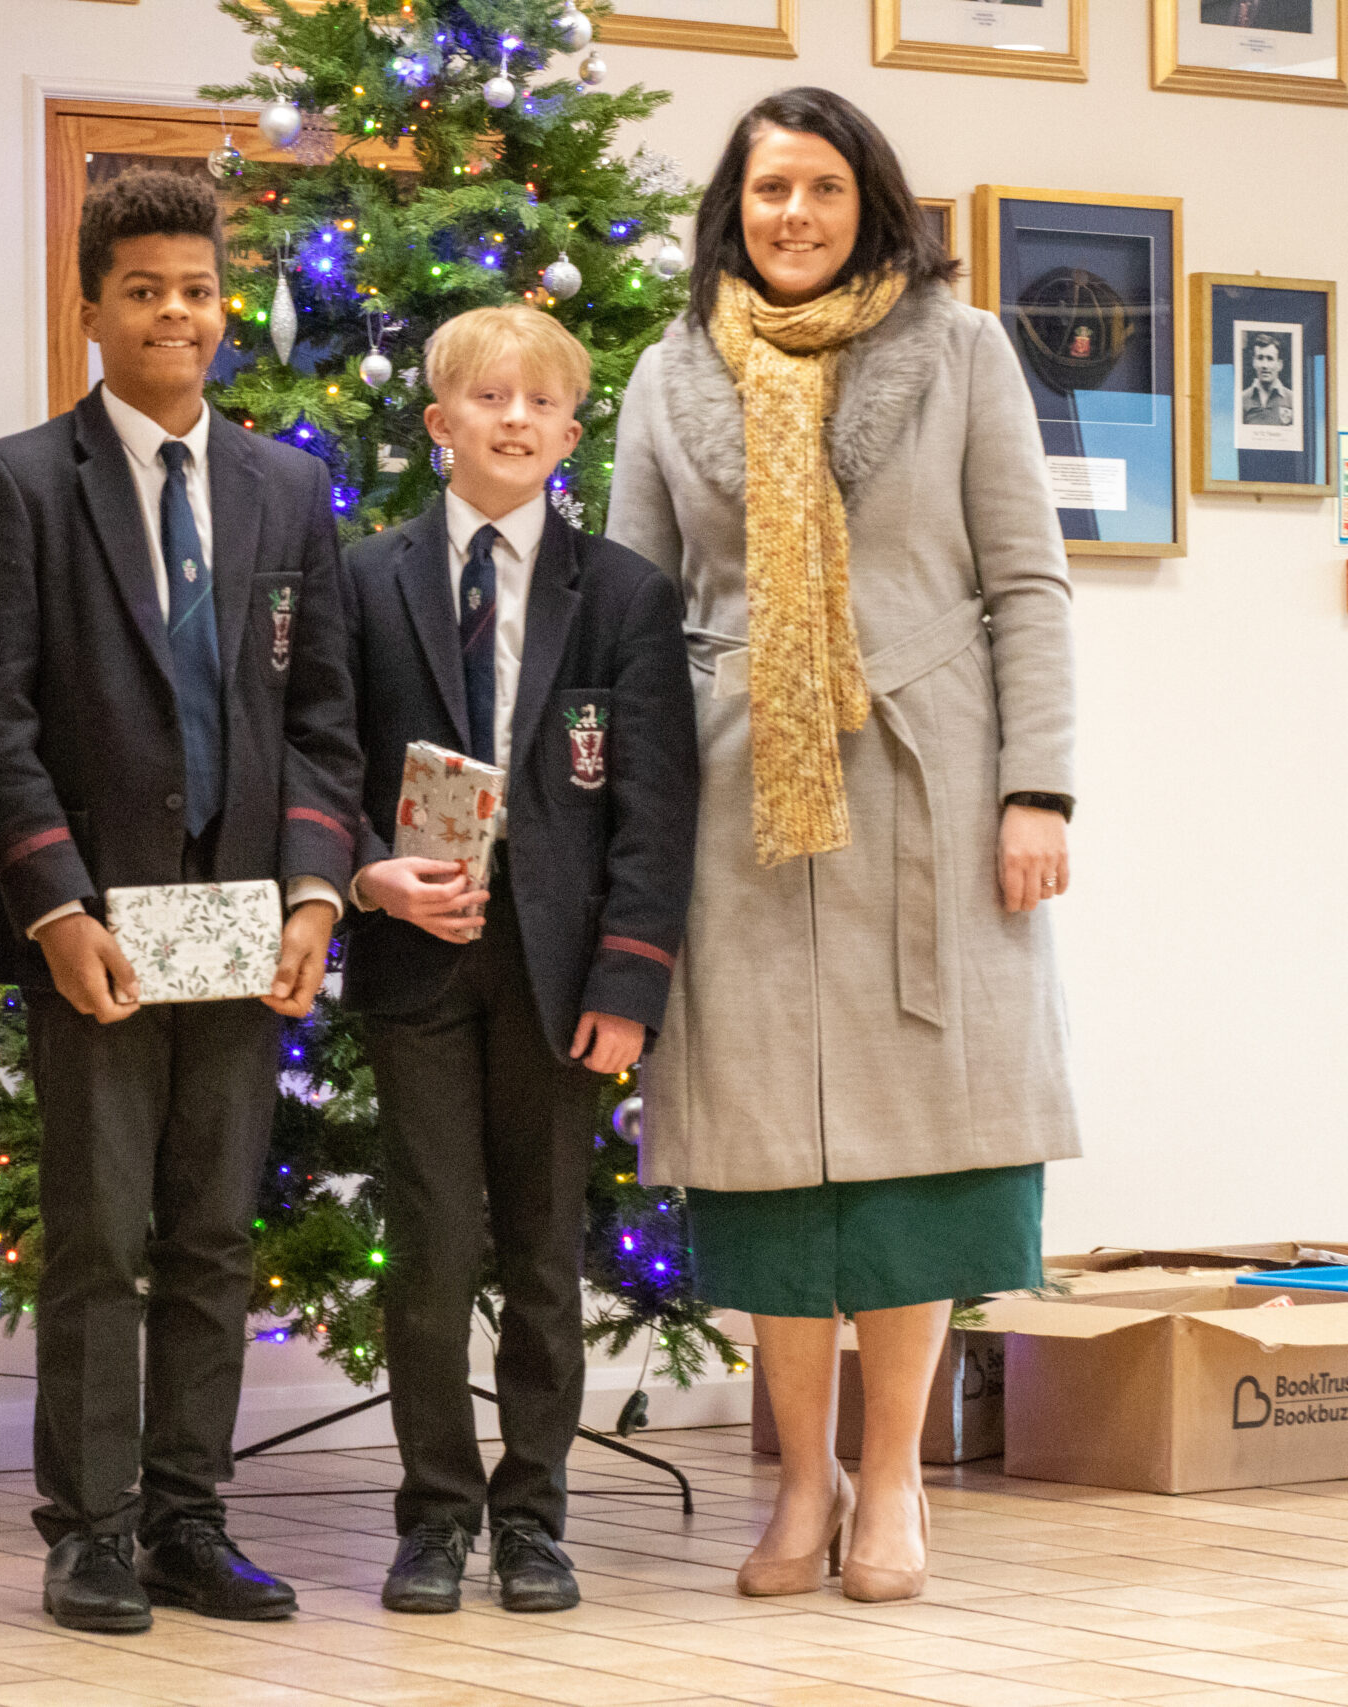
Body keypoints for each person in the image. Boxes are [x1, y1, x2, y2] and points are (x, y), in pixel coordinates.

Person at [607, 87, 1077, 1605]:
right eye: (767, 191)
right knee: (766, 1163)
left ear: (868, 200)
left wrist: (1037, 790)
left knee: (915, 1152)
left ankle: (895, 1479)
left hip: (928, 788)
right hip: (731, 797)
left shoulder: (962, 348)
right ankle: (800, 1481)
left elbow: (1027, 582)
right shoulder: (668, 372)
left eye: (820, 187)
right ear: (731, 211)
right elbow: (628, 615)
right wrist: (626, 826)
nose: (792, 215)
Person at [0, 170, 365, 1635]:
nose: (173, 313)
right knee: (96, 1237)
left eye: (195, 289)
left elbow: (323, 720)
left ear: (224, 304)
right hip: (100, 935)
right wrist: (56, 910)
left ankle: (189, 1517)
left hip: (243, 927)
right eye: (142, 291)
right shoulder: (17, 484)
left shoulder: (285, 489)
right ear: (92, 310)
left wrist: (314, 894)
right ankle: (91, 1528)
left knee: (211, 1238)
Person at [339, 306, 697, 1616]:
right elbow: (323, 758)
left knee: (545, 1252)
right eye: (488, 398)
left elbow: (656, 807)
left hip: (561, 978)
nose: (513, 418)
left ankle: (534, 1516)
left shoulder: (624, 595)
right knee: (431, 1250)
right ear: (440, 421)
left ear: (569, 431)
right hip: (418, 959)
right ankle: (434, 1515)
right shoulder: (365, 580)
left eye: (539, 402)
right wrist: (365, 872)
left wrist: (629, 980)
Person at [1241, 334, 1296, 426]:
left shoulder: (1292, 399)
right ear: (1254, 362)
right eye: (1260, 358)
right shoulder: (1242, 399)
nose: (1264, 365)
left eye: (1270, 359)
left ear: (1279, 365)